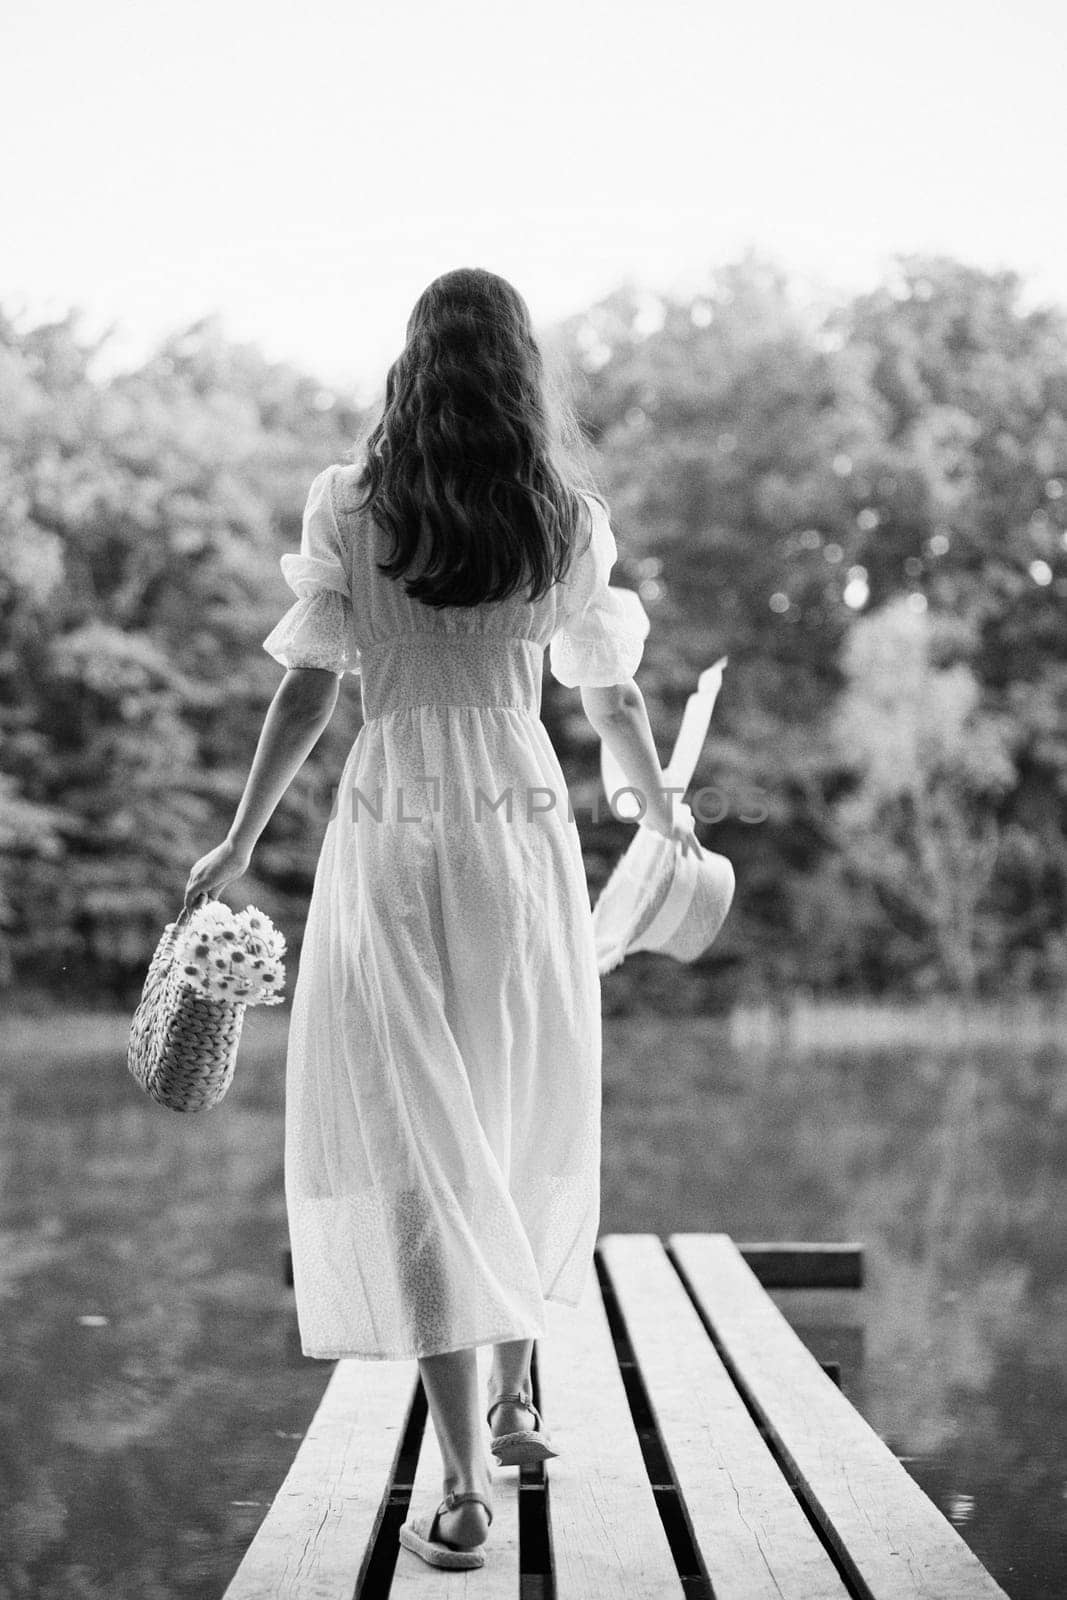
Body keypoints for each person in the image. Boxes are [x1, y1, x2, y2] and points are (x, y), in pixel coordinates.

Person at [183, 267, 702, 1567]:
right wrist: (661, 816)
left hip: (394, 818)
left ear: (412, 366)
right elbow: (613, 702)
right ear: (521, 373)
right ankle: (523, 1394)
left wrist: (239, 839)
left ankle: (465, 1479)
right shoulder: (566, 521)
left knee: (420, 1119)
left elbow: (305, 697)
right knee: (518, 1091)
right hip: (519, 825)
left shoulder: (352, 508)